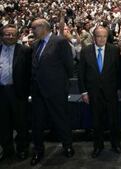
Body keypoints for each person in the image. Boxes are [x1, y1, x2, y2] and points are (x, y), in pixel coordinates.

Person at [30, 18, 74, 166]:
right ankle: (38, 150)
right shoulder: (35, 44)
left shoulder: (60, 42)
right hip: (37, 91)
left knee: (61, 119)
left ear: (43, 27)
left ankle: (67, 146)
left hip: (56, 90)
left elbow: (69, 66)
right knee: (37, 123)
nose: (32, 31)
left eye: (34, 28)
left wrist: (61, 86)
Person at [78, 26, 121, 158]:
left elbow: (119, 72)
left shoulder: (114, 50)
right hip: (93, 94)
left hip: (111, 93)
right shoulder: (85, 51)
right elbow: (81, 74)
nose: (102, 39)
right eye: (99, 36)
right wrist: (84, 92)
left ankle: (116, 144)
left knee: (114, 121)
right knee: (96, 122)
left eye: (104, 36)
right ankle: (98, 146)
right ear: (93, 37)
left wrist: (120, 89)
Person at [0, 24, 32, 161]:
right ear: (2, 36)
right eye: (7, 34)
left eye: (13, 34)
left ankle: (22, 149)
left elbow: (30, 73)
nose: (10, 36)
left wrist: (28, 91)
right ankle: (7, 150)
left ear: (18, 36)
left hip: (18, 92)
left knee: (21, 123)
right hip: (1, 92)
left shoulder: (25, 51)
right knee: (3, 124)